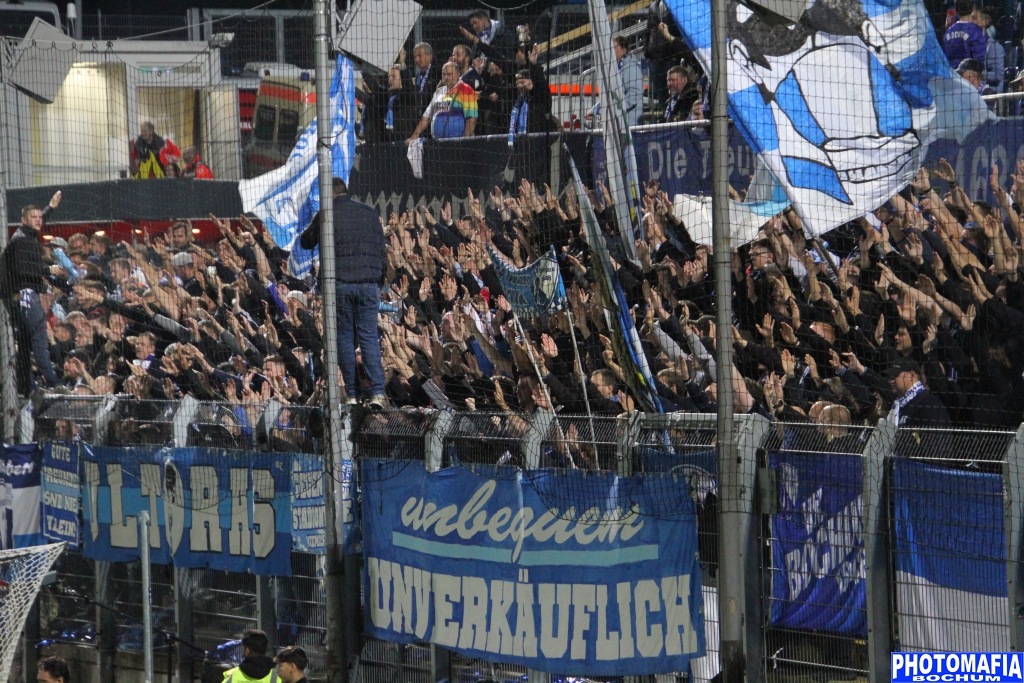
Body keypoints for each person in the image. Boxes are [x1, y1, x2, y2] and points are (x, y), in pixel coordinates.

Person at [299, 177, 386, 408]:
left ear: (329, 195)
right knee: (369, 337)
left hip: (340, 285)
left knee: (345, 338)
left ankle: (353, 394)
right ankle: (377, 393)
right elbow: (381, 248)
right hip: (369, 284)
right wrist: (380, 278)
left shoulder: (327, 213)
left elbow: (306, 242)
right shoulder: (370, 213)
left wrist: (316, 217)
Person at [0, 193, 64, 392]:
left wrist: (50, 208)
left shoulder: (23, 235)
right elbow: (23, 271)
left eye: (40, 217)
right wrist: (49, 270)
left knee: (26, 344)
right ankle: (54, 385)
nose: (39, 220)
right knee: (38, 338)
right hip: (24, 296)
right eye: (34, 217)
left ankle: (28, 388)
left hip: (15, 299)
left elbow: (35, 224)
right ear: (23, 220)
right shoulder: (22, 241)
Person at [405, 62, 478, 142]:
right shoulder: (439, 92)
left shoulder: (466, 90)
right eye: (444, 74)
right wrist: (414, 137)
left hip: (458, 145)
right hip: (438, 145)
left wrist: (465, 140)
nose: (446, 77)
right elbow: (426, 117)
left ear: (458, 74)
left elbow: (471, 119)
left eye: (449, 74)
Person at [885, 357, 952, 428]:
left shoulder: (929, 403)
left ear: (912, 375)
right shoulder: (898, 405)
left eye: (894, 376)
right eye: (889, 377)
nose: (890, 381)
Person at [509, 59, 554, 136]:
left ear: (530, 81)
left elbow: (541, 82)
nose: (519, 86)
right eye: (517, 83)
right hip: (521, 142)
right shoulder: (518, 102)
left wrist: (534, 64)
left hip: (539, 140)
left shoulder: (540, 95)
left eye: (522, 82)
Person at [944, 0, 987, 71]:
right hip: (970, 76)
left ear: (956, 10)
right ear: (973, 8)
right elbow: (979, 59)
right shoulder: (977, 31)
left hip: (952, 75)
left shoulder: (949, 31)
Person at [402, 42, 440, 113]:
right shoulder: (418, 76)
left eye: (419, 55)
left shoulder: (438, 72)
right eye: (415, 56)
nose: (416, 59)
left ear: (430, 55)